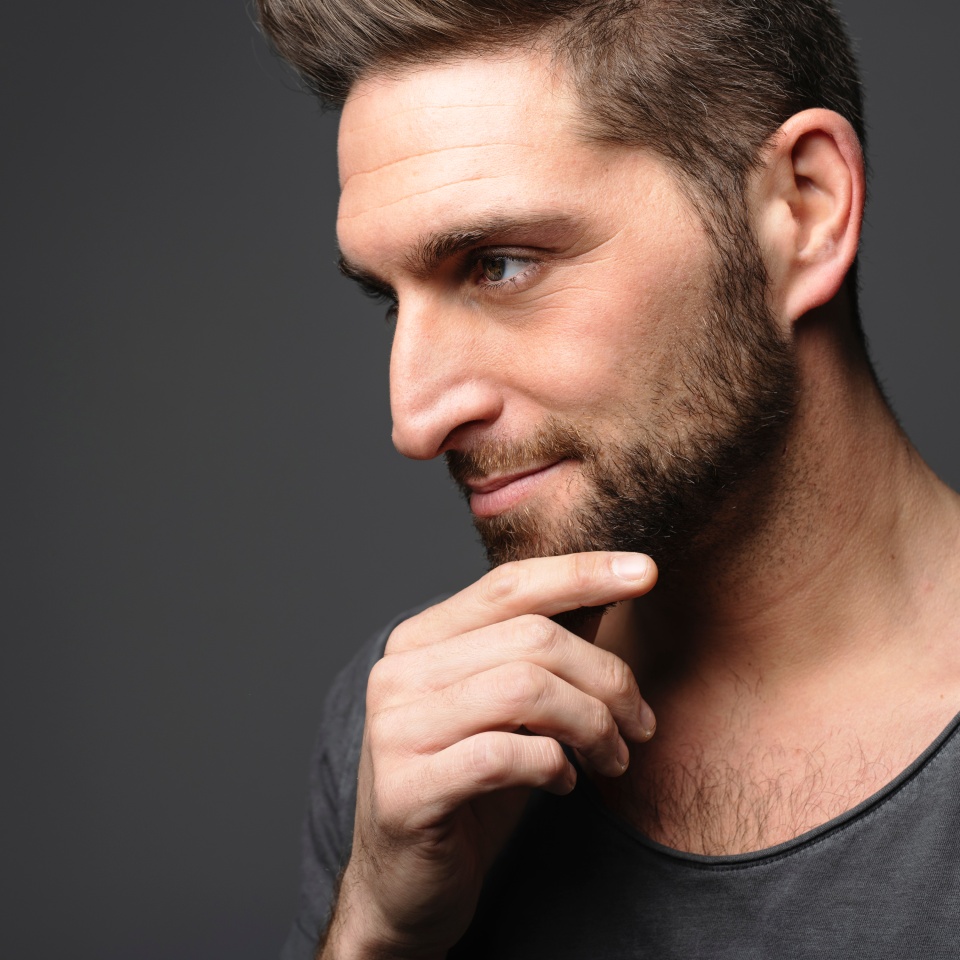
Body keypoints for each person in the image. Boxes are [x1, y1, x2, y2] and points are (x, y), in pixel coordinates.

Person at [258, 1, 960, 956]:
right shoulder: (410, 734)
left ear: (801, 210)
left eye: (500, 265)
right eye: (392, 302)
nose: (415, 420)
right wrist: (376, 933)